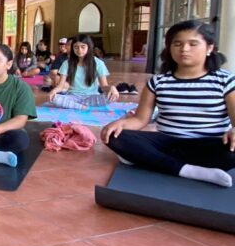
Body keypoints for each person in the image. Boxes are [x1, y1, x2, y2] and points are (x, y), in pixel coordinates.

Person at [102, 19, 235, 188]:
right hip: (167, 143)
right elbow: (141, 120)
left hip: (208, 144)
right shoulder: (158, 82)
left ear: (209, 48)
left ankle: (154, 161)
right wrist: (121, 123)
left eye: (193, 44)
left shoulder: (225, 80)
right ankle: (191, 171)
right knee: (115, 136)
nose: (184, 49)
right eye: (177, 44)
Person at [48, 34, 118, 108]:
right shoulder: (67, 63)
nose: (79, 50)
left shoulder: (98, 63)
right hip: (72, 97)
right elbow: (60, 86)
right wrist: (53, 91)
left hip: (92, 97)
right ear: (72, 48)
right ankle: (80, 107)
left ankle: (75, 106)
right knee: (54, 98)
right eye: (76, 47)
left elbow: (103, 86)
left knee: (110, 98)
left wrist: (112, 88)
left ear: (89, 47)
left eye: (83, 47)